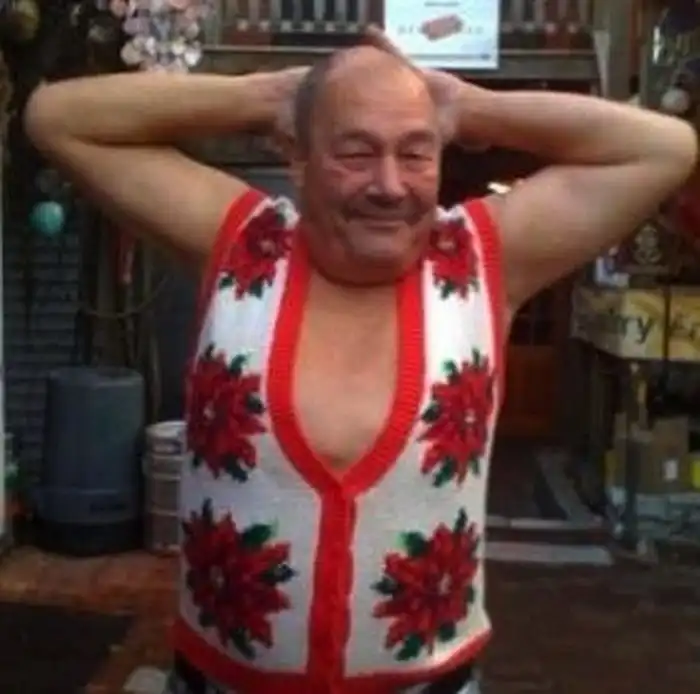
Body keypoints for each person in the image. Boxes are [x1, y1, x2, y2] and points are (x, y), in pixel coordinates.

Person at [24, 28, 696, 694]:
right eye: (355, 152)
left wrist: (466, 106)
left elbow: (663, 147)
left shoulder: (479, 263)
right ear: (298, 159)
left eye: (416, 153)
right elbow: (58, 118)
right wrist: (267, 97)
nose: (389, 185)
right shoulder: (243, 244)